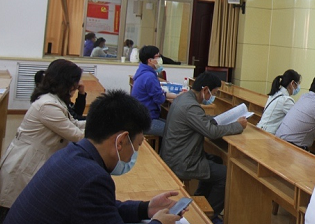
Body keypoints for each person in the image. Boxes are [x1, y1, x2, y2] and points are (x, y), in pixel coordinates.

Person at [4, 90, 182, 224]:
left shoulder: (71, 153)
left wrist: (145, 208)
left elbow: (100, 208)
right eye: (138, 145)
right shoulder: (92, 178)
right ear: (120, 142)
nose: (135, 153)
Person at [0, 59, 86, 217]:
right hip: (25, 164)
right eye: (75, 83)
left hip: (34, 161)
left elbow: (74, 123)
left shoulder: (54, 100)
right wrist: (103, 129)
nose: (76, 87)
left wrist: (99, 122)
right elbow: (76, 135)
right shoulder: (48, 105)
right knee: (14, 213)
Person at [160, 72, 247, 219]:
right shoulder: (191, 107)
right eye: (214, 93)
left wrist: (219, 119)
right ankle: (208, 216)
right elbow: (211, 132)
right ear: (205, 90)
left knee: (217, 160)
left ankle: (201, 198)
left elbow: (201, 119)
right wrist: (237, 126)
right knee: (226, 175)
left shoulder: (184, 98)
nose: (213, 97)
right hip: (182, 161)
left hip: (177, 154)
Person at [131, 45, 177, 137]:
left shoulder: (143, 71)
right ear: (150, 60)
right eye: (157, 57)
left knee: (171, 124)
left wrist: (177, 96)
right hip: (146, 121)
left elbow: (158, 94)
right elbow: (159, 99)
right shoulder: (149, 77)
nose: (160, 59)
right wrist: (171, 95)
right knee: (174, 132)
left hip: (141, 117)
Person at [257, 69, 301, 135]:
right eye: (298, 84)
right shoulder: (286, 100)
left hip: (260, 129)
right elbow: (298, 118)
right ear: (292, 83)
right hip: (268, 134)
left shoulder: (276, 93)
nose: (298, 88)